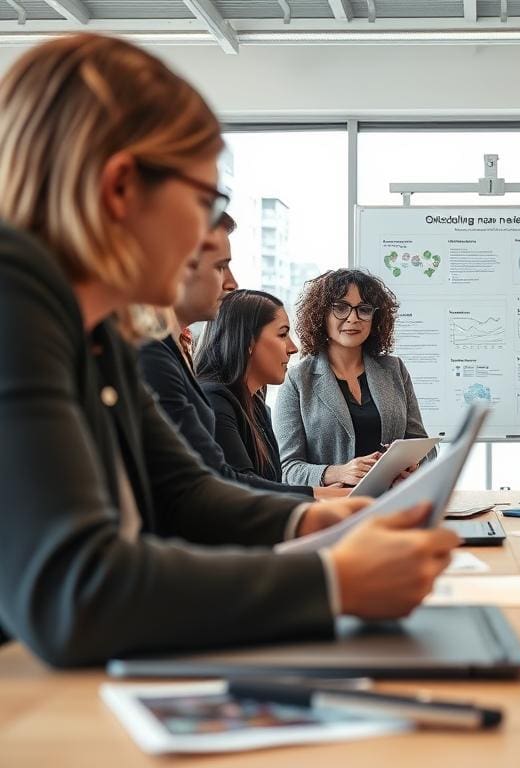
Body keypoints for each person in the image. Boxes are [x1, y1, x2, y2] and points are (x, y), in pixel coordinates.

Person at [0, 33, 458, 667]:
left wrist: (310, 527)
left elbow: (184, 492)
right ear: (121, 188)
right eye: (204, 201)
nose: (208, 235)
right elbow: (76, 590)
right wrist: (333, 582)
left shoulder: (94, 326)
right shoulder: (14, 300)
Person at [138, 214, 334, 498]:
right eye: (220, 267)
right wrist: (332, 499)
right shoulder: (159, 359)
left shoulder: (254, 403)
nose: (231, 282)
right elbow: (222, 485)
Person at [275, 268, 434, 488]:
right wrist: (338, 473)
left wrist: (414, 465)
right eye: (341, 307)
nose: (353, 318)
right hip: (333, 512)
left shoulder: (394, 369)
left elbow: (426, 449)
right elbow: (288, 470)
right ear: (321, 314)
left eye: (364, 309)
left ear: (374, 317)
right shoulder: (298, 381)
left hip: (393, 505)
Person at [194, 290, 301, 486]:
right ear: (248, 342)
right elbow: (246, 487)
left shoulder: (256, 404)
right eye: (283, 334)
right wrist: (331, 496)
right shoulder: (214, 401)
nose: (293, 348)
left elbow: (270, 487)